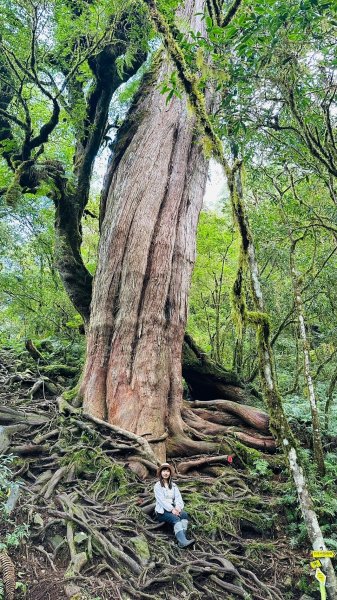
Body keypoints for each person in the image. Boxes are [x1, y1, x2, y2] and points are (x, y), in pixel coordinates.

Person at [154, 462, 195, 548]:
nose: (165, 473)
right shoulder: (157, 486)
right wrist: (172, 509)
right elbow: (161, 501)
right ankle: (183, 542)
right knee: (175, 518)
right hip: (162, 512)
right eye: (164, 471)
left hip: (174, 509)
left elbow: (178, 498)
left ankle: (182, 540)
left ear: (170, 473)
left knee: (184, 515)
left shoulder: (174, 486)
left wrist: (178, 507)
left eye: (167, 471)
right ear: (160, 473)